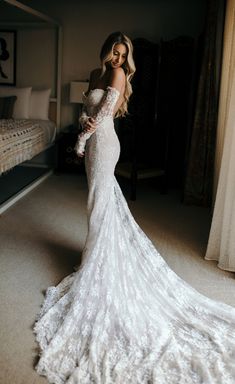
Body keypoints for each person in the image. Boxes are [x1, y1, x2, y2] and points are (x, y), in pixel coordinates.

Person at [34, 32, 235, 384]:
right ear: (106, 48)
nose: (118, 58)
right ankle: (95, 255)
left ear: (127, 58)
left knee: (99, 203)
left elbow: (100, 117)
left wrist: (80, 140)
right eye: (115, 50)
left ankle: (95, 265)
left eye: (124, 54)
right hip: (95, 142)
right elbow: (87, 113)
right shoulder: (99, 74)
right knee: (99, 202)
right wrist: (83, 129)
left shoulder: (116, 76)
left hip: (102, 145)